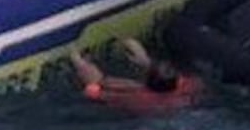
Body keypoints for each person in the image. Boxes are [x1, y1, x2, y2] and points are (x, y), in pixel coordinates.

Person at [69, 37, 202, 114]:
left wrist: (79, 63)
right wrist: (145, 61)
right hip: (165, 103)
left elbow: (93, 93)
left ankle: (76, 57)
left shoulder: (138, 98)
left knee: (97, 84)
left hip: (143, 107)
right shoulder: (190, 85)